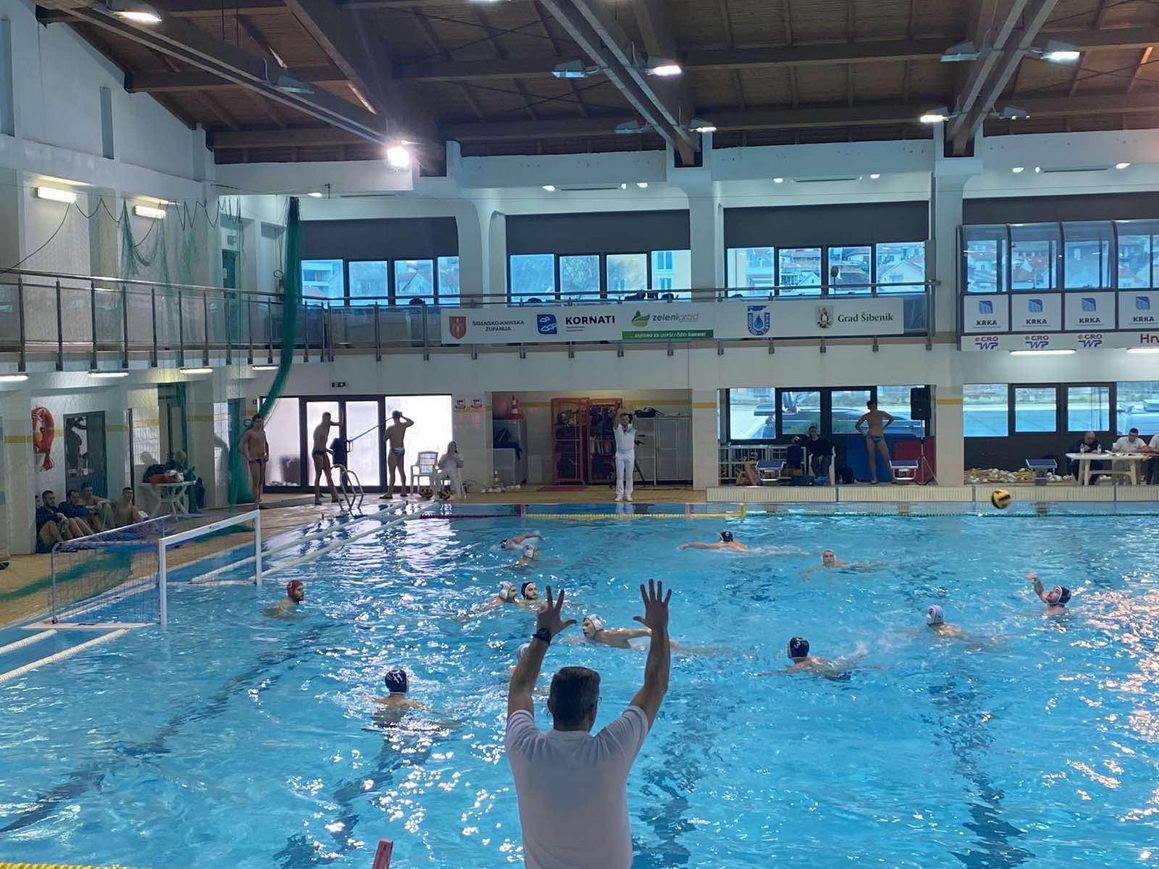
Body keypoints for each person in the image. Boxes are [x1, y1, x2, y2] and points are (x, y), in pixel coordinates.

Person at [506, 581, 671, 869]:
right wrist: (659, 628)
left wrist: (543, 634)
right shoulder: (612, 750)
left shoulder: (523, 748)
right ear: (593, 711)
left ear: (549, 706)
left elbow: (519, 688)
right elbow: (655, 686)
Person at [781, 636, 867, 680]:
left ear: (792, 650)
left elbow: (784, 674)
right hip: (843, 672)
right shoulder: (816, 659)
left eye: (788, 648)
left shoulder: (798, 665)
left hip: (836, 679)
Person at [855, 399, 895, 484]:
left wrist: (884, 427)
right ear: (868, 408)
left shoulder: (881, 413)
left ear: (876, 406)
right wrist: (863, 433)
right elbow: (857, 425)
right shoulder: (867, 415)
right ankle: (874, 478)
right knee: (872, 458)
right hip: (870, 437)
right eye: (871, 407)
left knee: (886, 458)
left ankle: (892, 477)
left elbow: (891, 418)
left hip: (880, 437)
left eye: (874, 406)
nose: (873, 408)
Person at [381, 410, 414, 499]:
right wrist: (403, 416)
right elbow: (411, 422)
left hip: (394, 450)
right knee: (401, 470)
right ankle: (403, 491)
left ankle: (389, 493)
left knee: (392, 472)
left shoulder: (391, 428)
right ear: (399, 417)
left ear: (393, 417)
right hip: (401, 450)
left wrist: (386, 434)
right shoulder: (403, 426)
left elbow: (384, 439)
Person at [311, 412, 341, 506]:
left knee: (329, 475)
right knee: (318, 475)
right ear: (323, 418)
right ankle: (317, 498)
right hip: (317, 453)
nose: (328, 421)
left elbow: (340, 423)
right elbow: (318, 445)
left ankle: (334, 497)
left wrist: (342, 411)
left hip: (324, 453)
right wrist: (329, 451)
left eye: (329, 419)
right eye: (327, 419)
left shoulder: (328, 426)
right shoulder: (319, 429)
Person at [239, 414, 269, 506]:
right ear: (253, 422)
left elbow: (266, 444)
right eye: (257, 422)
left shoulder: (263, 432)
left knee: (260, 481)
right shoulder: (249, 433)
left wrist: (267, 454)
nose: (259, 423)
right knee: (256, 481)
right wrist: (247, 456)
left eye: (260, 421)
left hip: (262, 459)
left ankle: (258, 500)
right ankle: (255, 503)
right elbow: (241, 445)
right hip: (254, 459)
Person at [581, 613, 653, 649]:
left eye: (587, 625)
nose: (583, 628)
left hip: (641, 651)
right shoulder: (591, 640)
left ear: (596, 625)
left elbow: (647, 631)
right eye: (583, 626)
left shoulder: (615, 634)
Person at [613, 412, 637, 503]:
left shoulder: (632, 428)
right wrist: (618, 413)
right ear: (620, 420)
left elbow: (636, 423)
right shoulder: (617, 428)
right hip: (619, 453)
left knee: (629, 475)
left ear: (629, 420)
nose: (625, 421)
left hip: (630, 453)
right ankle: (619, 494)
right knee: (619, 475)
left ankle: (628, 494)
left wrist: (633, 415)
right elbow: (615, 422)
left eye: (626, 419)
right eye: (623, 419)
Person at [677, 530, 748, 552]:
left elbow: (705, 546)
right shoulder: (737, 543)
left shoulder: (721, 545)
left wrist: (688, 545)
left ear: (721, 538)